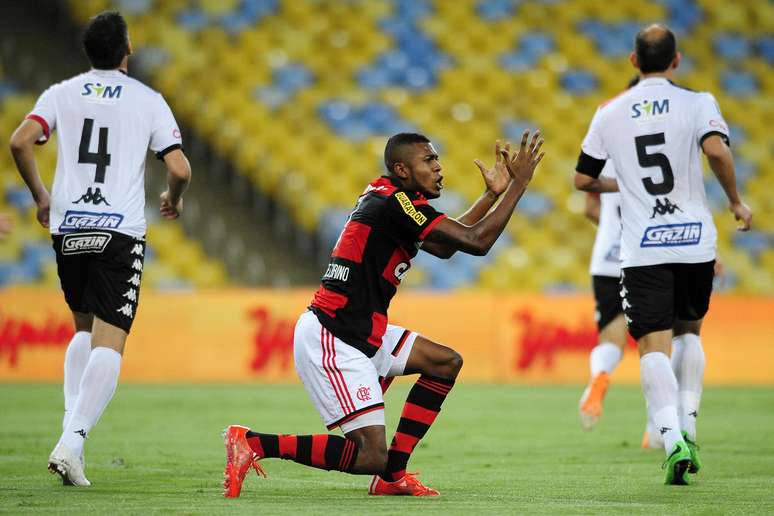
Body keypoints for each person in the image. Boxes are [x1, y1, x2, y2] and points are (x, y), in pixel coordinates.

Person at [223, 131, 544, 497]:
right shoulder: (397, 203)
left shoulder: (392, 199)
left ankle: (393, 476)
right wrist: (519, 184)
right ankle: (254, 443)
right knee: (369, 456)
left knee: (444, 362)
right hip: (335, 334)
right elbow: (477, 242)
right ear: (402, 168)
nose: (439, 167)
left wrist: (491, 195)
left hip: (362, 329)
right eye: (429, 160)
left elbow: (443, 249)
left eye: (437, 159)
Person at [9, 11, 191, 486]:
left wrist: (42, 197)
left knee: (84, 328)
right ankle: (72, 441)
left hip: (69, 229)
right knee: (111, 340)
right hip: (119, 230)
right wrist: (172, 200)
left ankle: (72, 436)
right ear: (127, 51)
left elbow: (20, 142)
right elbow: (181, 169)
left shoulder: (60, 93)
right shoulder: (148, 100)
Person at [574, 23, 751, 485]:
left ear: (633, 61)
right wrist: (735, 201)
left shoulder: (609, 113)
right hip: (694, 239)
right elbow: (716, 151)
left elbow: (582, 181)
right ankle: (690, 425)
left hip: (644, 246)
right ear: (676, 61)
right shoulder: (699, 102)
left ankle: (670, 438)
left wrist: (624, 185)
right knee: (689, 332)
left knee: (651, 342)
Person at [578, 77, 640, 433]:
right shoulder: (665, 142)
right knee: (659, 341)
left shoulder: (605, 142)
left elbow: (589, 207)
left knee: (611, 339)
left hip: (606, 257)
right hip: (650, 254)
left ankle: (599, 378)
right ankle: (662, 427)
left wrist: (610, 229)